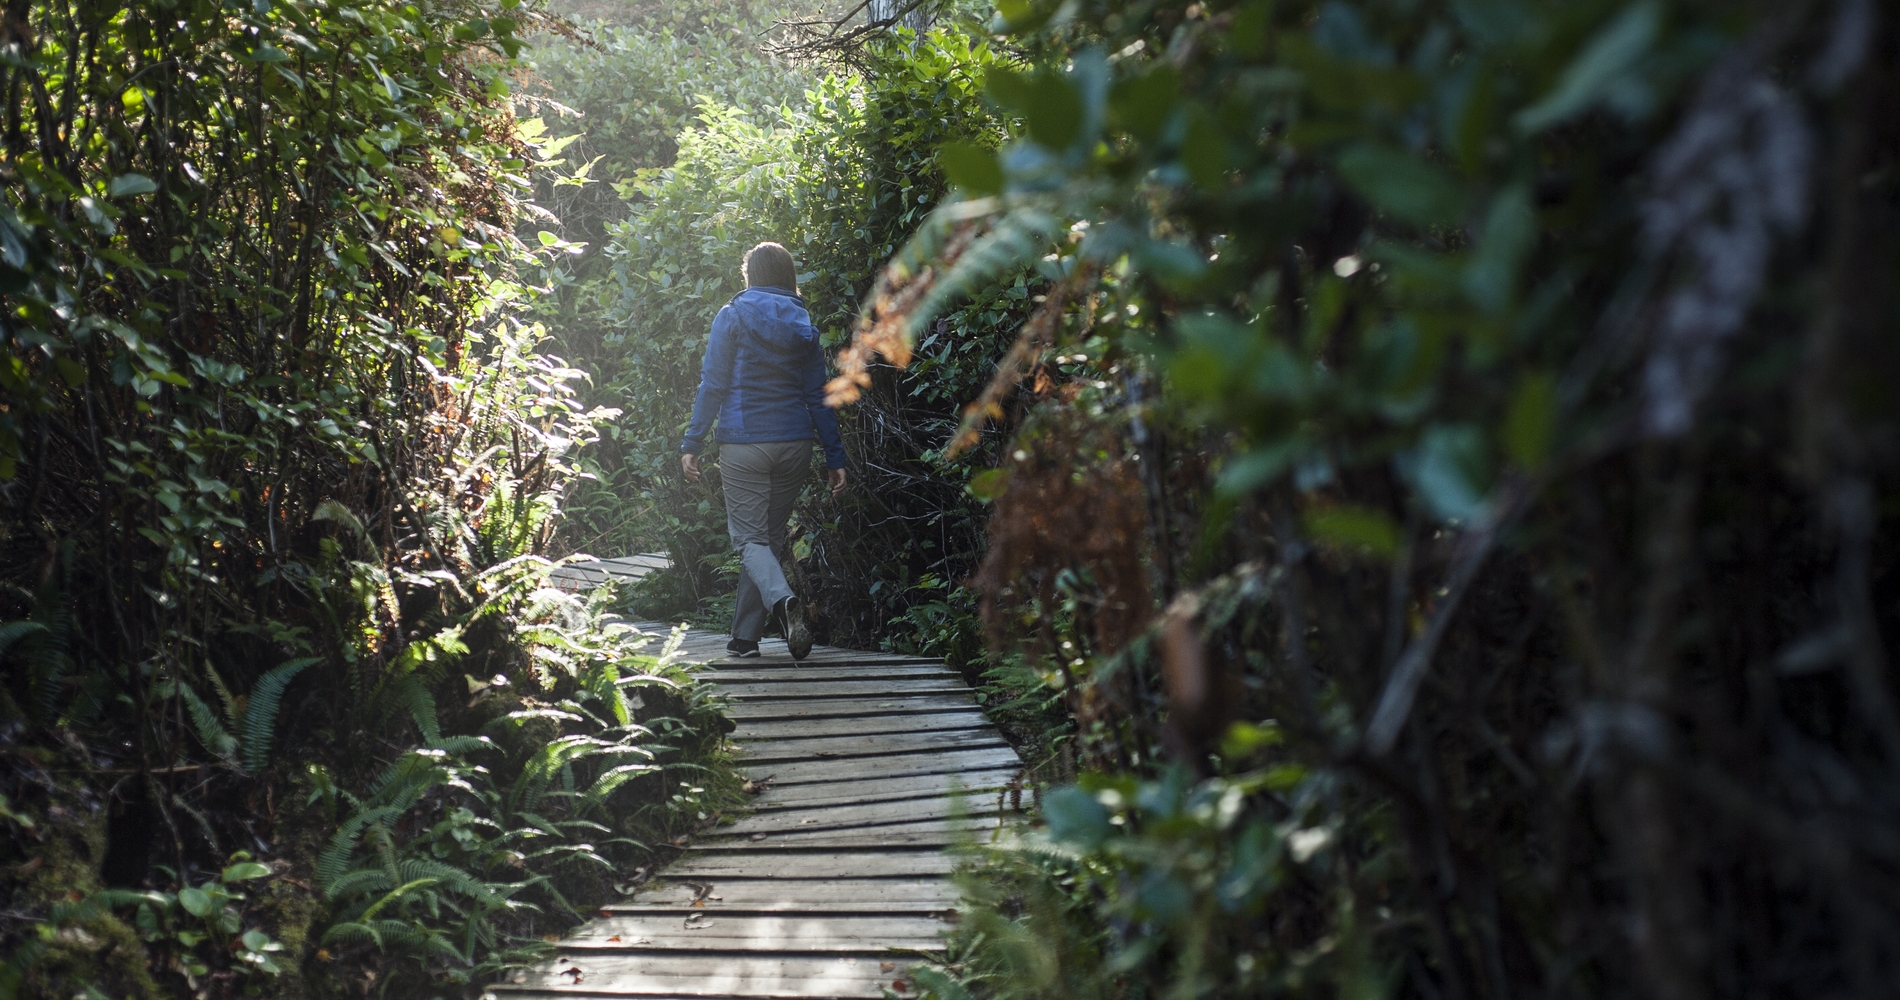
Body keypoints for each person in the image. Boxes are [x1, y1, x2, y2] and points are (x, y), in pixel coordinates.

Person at [679, 242, 846, 660]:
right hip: (795, 444)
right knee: (767, 539)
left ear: (750, 275)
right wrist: (834, 456)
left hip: (744, 441)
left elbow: (713, 384)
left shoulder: (732, 315)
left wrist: (693, 442)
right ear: (788, 276)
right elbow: (817, 395)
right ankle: (744, 639)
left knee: (749, 539)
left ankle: (785, 602)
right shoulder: (803, 322)